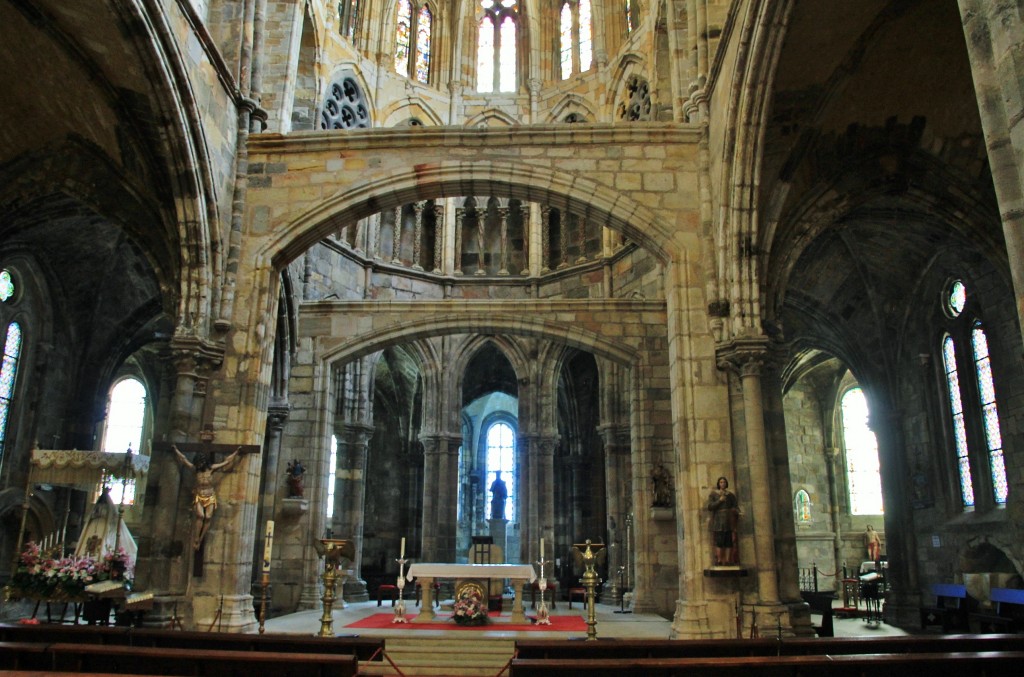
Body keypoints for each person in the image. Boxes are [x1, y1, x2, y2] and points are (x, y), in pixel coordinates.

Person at [172, 444, 244, 550]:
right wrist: (175, 450)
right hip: (199, 495)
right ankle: (196, 538)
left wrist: (236, 452)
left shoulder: (211, 469)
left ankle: (200, 540)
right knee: (200, 515)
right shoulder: (195, 469)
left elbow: (226, 461)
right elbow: (183, 459)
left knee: (208, 517)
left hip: (210, 495)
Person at [706, 476, 739, 566]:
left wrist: (735, 511)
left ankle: (728, 560)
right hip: (718, 520)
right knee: (719, 541)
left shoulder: (730, 495)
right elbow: (710, 507)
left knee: (729, 541)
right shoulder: (714, 494)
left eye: (724, 482)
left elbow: (735, 506)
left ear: (726, 483)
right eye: (721, 482)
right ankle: (719, 559)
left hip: (728, 520)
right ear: (718, 484)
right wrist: (719, 501)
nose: (722, 484)